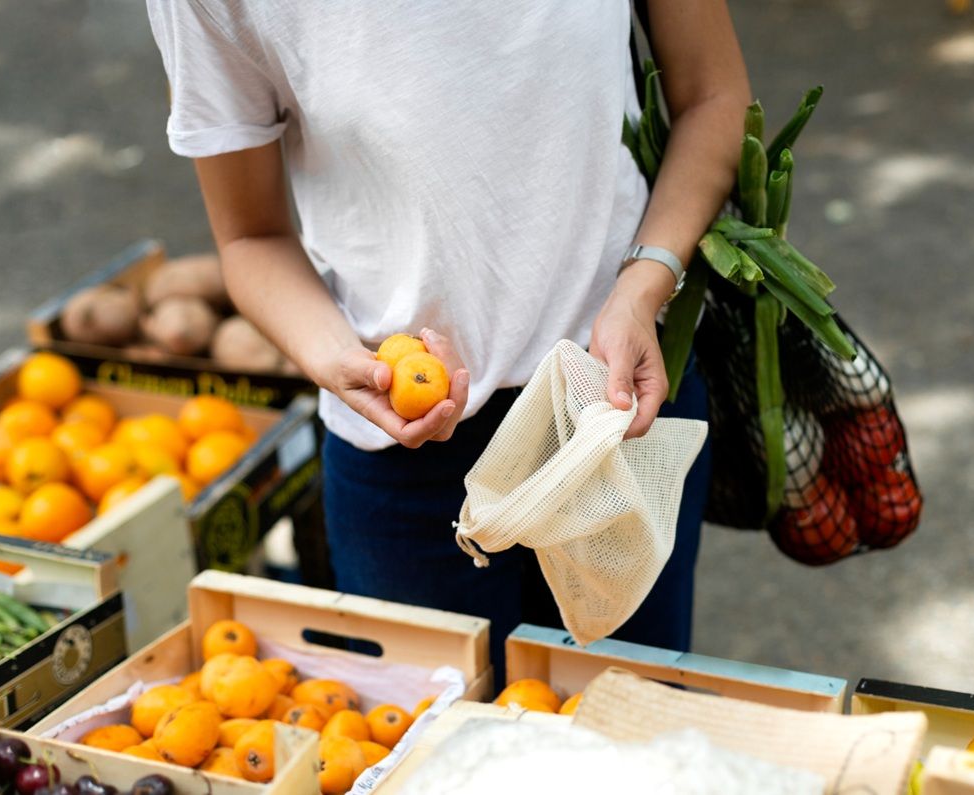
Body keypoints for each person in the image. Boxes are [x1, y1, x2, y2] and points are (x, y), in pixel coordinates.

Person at [145, 0, 750, 677]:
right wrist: (339, 359)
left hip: (617, 410)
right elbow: (250, 237)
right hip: (403, 462)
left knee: (633, 748)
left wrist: (646, 282)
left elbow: (713, 98)